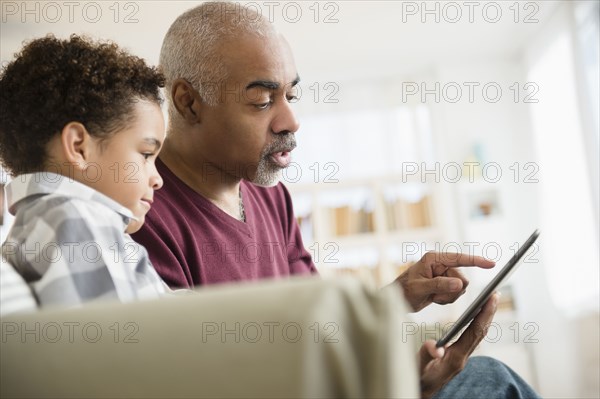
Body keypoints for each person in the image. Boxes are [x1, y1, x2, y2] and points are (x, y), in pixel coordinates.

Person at [132, 3, 541, 398]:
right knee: (491, 381)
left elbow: (317, 334)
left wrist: (399, 295)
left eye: (291, 96)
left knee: (491, 377)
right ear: (188, 102)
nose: (290, 121)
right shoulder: (143, 217)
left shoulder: (270, 198)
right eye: (262, 101)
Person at [0, 35, 169, 308]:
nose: (158, 179)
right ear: (78, 147)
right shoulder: (77, 218)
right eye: (146, 155)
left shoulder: (52, 220)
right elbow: (114, 342)